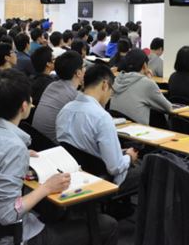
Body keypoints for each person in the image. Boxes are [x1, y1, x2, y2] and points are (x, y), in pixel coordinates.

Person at [0, 69, 119, 245]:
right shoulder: (13, 147)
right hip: (15, 237)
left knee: (54, 213)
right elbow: (8, 214)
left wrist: (21, 155)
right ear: (24, 106)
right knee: (107, 225)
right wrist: (47, 188)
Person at [57, 64, 140, 192]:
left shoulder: (65, 110)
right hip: (105, 180)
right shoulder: (102, 117)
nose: (110, 94)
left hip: (77, 174)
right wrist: (129, 157)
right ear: (105, 85)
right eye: (111, 89)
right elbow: (115, 168)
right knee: (149, 167)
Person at [32, 51, 84, 143]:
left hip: (38, 140)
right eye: (83, 67)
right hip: (54, 146)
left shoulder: (52, 85)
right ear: (79, 73)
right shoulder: (74, 96)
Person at [110, 49, 173, 124]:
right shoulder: (147, 84)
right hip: (138, 131)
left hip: (118, 129)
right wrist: (149, 80)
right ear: (144, 65)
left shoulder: (116, 80)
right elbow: (168, 108)